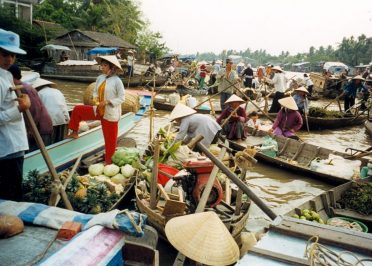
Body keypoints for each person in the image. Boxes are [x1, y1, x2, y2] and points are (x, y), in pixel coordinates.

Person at [67, 55, 125, 164]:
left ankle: (109, 162)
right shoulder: (100, 78)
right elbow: (95, 91)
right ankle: (74, 131)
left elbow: (122, 98)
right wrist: (95, 98)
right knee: (78, 109)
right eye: (101, 65)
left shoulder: (117, 81)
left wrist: (107, 102)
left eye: (104, 65)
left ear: (111, 67)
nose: (102, 67)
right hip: (98, 110)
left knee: (110, 141)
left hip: (110, 113)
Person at [0, 29, 30, 201]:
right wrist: (19, 109)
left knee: (13, 196)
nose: (9, 59)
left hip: (15, 147)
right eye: (5, 54)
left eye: (12, 55)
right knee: (10, 200)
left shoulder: (7, 75)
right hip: (7, 149)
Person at [8, 65, 53, 151]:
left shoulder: (24, 89)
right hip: (36, 127)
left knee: (37, 155)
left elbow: (35, 110)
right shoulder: (20, 87)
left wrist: (30, 129)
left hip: (39, 128)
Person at [33, 78, 70, 144]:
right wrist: (68, 120)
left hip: (48, 121)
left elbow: (37, 110)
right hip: (61, 119)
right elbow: (63, 106)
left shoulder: (39, 93)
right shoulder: (58, 91)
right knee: (59, 140)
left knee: (47, 142)